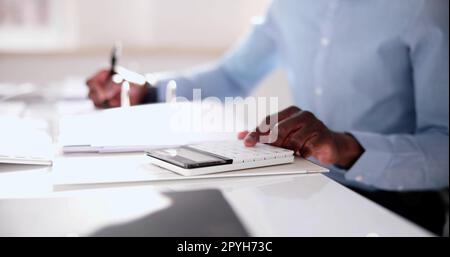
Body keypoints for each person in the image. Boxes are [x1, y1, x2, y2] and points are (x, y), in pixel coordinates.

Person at [87, 0, 449, 234]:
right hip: (310, 193)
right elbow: (231, 76)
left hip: (394, 209)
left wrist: (344, 147)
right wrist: (146, 91)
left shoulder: (425, 8)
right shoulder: (290, 7)